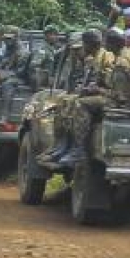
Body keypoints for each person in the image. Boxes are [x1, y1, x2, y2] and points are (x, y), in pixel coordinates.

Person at [60, 28, 130, 166]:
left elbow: (120, 97)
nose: (104, 45)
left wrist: (98, 90)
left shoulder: (121, 63)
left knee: (81, 104)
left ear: (113, 44)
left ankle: (79, 150)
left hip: (128, 104)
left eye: (106, 42)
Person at [41, 30, 100, 161]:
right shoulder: (76, 62)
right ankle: (61, 144)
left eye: (79, 49)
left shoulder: (94, 60)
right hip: (82, 93)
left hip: (92, 94)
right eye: (74, 50)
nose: (77, 52)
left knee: (71, 102)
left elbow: (95, 81)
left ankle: (74, 147)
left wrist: (85, 88)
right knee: (62, 101)